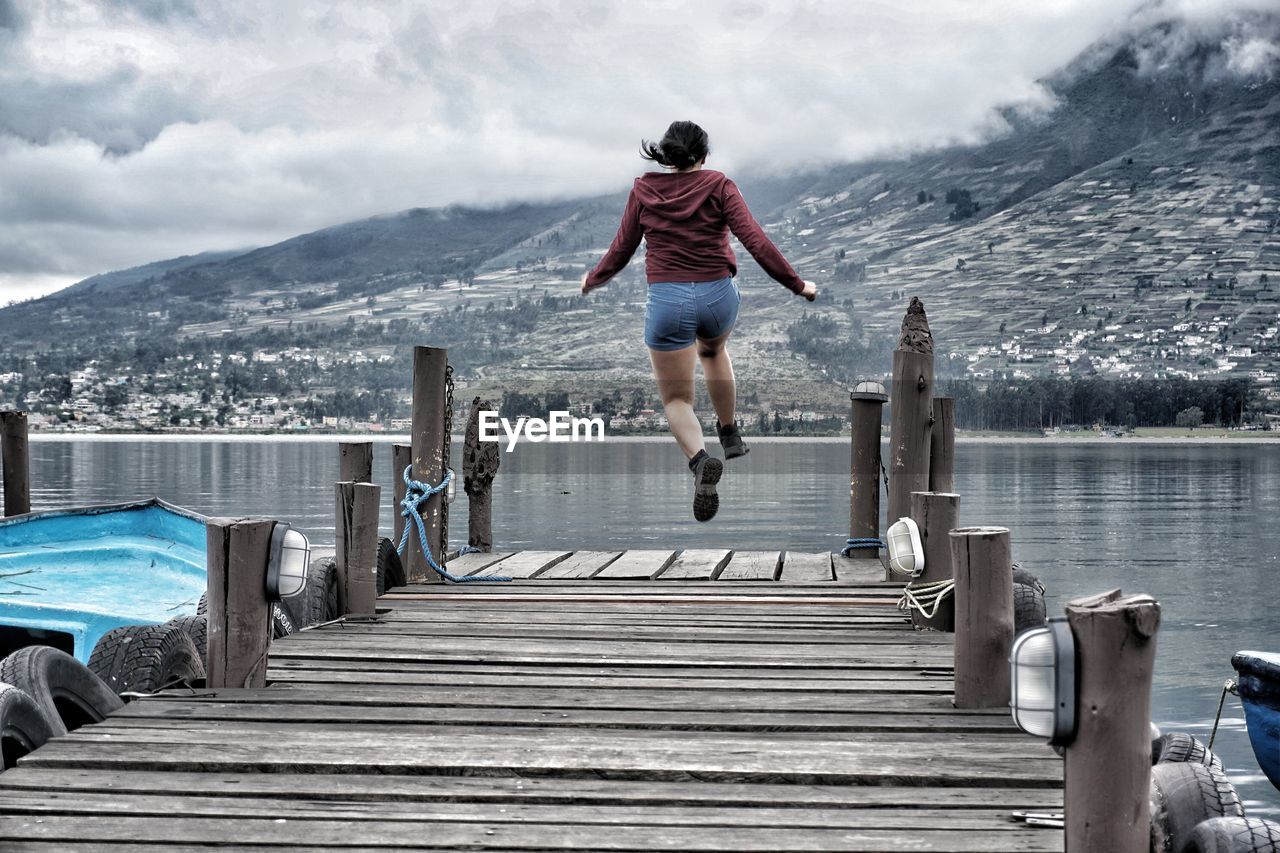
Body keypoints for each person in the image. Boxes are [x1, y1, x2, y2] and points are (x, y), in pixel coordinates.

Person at [580, 120, 817, 522]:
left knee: (676, 400)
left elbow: (621, 249)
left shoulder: (643, 189)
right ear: (703, 154)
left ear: (667, 155)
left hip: (667, 301)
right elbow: (756, 241)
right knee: (713, 350)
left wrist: (593, 278)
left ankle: (700, 461)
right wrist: (797, 284)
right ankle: (730, 432)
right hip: (717, 297)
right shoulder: (720, 184)